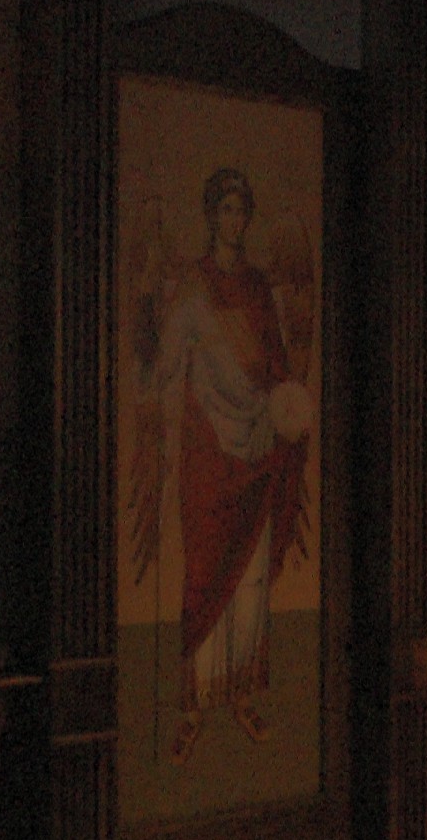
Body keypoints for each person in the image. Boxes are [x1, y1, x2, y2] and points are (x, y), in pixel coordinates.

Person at [127, 168, 314, 763]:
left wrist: (285, 411)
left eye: (241, 210)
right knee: (205, 574)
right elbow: (160, 368)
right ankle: (194, 704)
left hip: (258, 444)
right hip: (209, 453)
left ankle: (242, 692)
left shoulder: (258, 287)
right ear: (211, 215)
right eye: (225, 209)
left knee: (252, 578)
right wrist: (145, 310)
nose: (234, 220)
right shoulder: (193, 289)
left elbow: (278, 363)